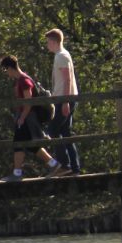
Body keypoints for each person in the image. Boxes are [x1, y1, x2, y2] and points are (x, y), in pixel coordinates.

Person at [0, 55, 61, 183]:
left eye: (5, 70)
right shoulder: (21, 80)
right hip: (26, 118)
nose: (6, 73)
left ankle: (17, 174)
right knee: (31, 146)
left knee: (18, 143)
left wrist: (21, 118)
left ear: (10, 68)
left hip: (28, 118)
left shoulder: (23, 81)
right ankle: (54, 165)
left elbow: (29, 102)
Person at [43, 28, 80, 177]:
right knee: (65, 133)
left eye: (48, 42)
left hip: (64, 99)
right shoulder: (62, 55)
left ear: (54, 41)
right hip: (66, 98)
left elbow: (67, 79)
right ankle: (74, 167)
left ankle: (64, 165)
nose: (47, 45)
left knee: (53, 131)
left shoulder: (61, 56)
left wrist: (64, 102)